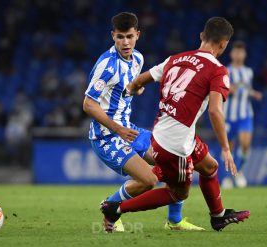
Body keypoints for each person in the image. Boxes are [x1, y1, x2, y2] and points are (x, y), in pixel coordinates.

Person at [100, 17, 250, 232]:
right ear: (224, 44)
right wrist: (226, 148)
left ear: (201, 36)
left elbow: (139, 81)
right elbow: (215, 110)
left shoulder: (175, 59)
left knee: (210, 167)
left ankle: (218, 216)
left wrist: (132, 89)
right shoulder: (218, 71)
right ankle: (116, 208)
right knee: (178, 193)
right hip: (175, 144)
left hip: (165, 132)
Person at [83, 12, 203, 232]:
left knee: (176, 163)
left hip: (129, 130)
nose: (125, 42)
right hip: (107, 137)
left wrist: (134, 89)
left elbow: (126, 87)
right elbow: (89, 104)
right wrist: (118, 128)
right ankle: (110, 212)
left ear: (137, 35)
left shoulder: (138, 59)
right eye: (120, 37)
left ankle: (174, 221)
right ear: (113, 36)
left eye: (129, 36)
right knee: (148, 180)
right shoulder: (107, 66)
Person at [222, 41, 262, 188]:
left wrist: (254, 93)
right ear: (232, 54)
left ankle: (238, 172)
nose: (239, 55)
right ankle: (227, 178)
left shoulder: (248, 72)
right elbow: (222, 90)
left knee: (245, 145)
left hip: (245, 114)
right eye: (236, 52)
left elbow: (246, 88)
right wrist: (229, 89)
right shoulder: (225, 70)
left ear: (244, 55)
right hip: (228, 116)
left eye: (241, 52)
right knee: (229, 149)